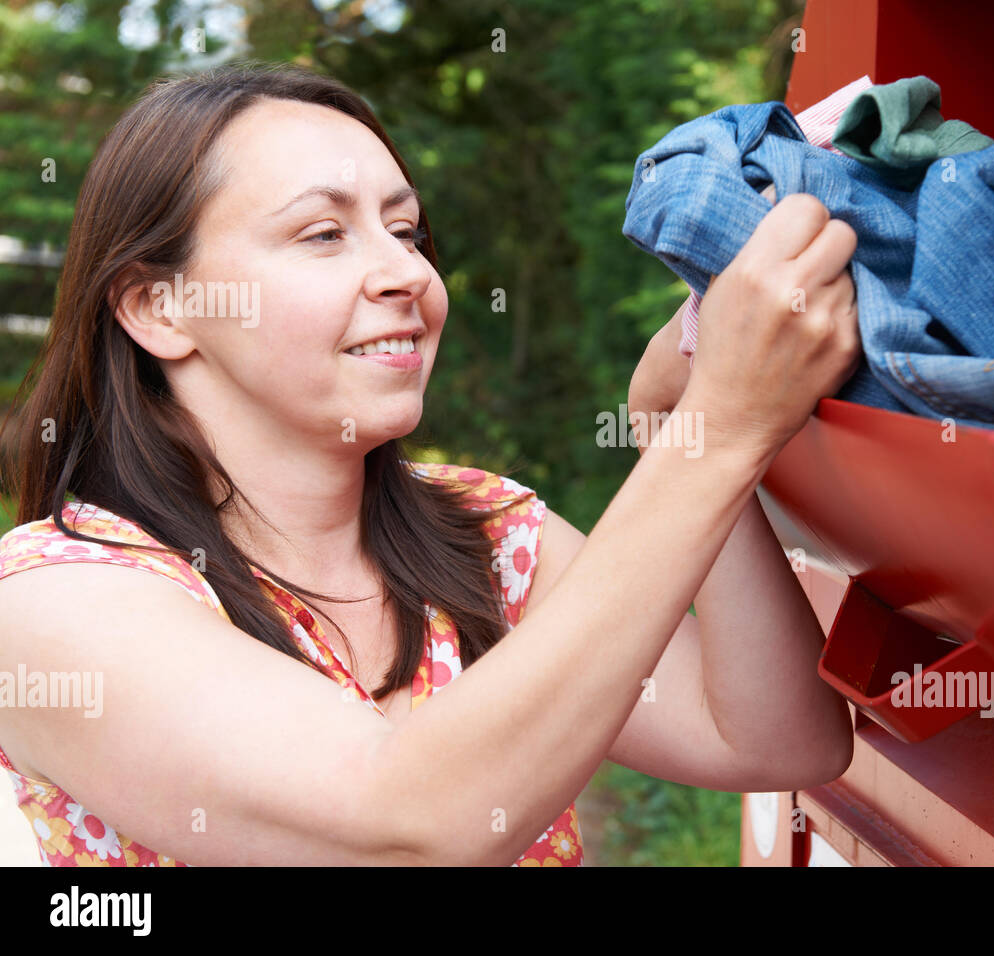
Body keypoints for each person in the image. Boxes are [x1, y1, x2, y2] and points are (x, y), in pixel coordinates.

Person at [0, 60, 861, 867]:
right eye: (323, 233)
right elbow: (407, 830)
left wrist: (683, 422)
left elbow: (777, 738)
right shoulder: (53, 602)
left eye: (406, 230)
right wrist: (729, 423)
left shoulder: (483, 535)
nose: (403, 271)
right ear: (161, 308)